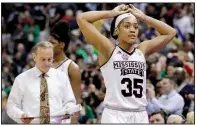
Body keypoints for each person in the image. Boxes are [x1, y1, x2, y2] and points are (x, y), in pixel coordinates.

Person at [77, 4, 176, 123]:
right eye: (127, 26)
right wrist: (110, 13)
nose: (132, 30)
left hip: (140, 114)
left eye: (135, 26)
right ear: (116, 30)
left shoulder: (141, 50)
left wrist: (144, 18)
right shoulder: (109, 50)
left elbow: (170, 32)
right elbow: (82, 18)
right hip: (115, 114)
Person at [7, 41, 76, 124]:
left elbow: (70, 102)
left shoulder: (62, 77)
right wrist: (21, 115)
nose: (47, 63)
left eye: (49, 59)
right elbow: (11, 106)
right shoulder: (21, 79)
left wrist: (67, 112)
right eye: (43, 59)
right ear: (34, 57)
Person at [48, 21, 81, 123]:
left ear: (62, 45)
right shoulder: (44, 64)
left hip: (63, 119)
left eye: (52, 43)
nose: (48, 46)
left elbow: (76, 101)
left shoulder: (72, 68)